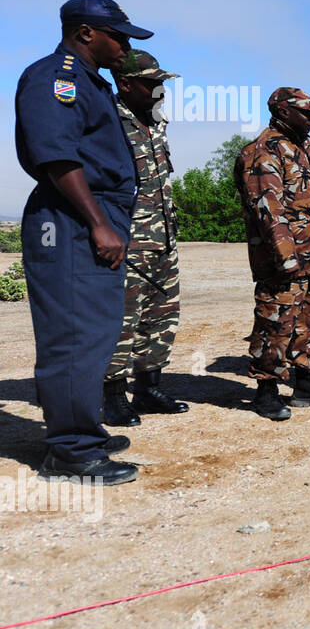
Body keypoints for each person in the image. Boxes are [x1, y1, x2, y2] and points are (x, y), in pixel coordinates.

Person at [14, 0, 152, 484]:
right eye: (119, 35)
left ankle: (81, 430)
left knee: (95, 330)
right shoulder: (55, 78)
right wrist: (98, 222)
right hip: (71, 215)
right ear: (86, 32)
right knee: (74, 334)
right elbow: (58, 158)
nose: (126, 46)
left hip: (91, 212)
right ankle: (71, 450)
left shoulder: (90, 83)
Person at [235, 87, 310, 419]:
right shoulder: (262, 152)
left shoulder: (304, 148)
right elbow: (268, 211)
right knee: (276, 321)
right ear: (283, 112)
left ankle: (308, 381)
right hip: (286, 259)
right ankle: (266, 390)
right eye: (307, 112)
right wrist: (286, 257)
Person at [101, 49, 189, 426]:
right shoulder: (108, 121)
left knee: (163, 314)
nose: (159, 91)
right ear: (125, 83)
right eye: (151, 83)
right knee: (122, 319)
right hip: (128, 240)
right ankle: (112, 395)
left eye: (161, 83)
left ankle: (149, 387)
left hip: (163, 237)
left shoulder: (155, 120)